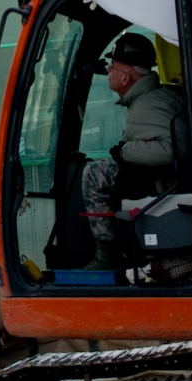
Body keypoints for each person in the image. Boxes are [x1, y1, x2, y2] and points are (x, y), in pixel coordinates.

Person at [78, 32, 184, 269]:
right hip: (166, 178)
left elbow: (172, 150)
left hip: (166, 183)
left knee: (94, 173)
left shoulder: (148, 104)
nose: (108, 71)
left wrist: (126, 151)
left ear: (126, 78)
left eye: (112, 66)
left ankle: (108, 254)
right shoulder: (157, 97)